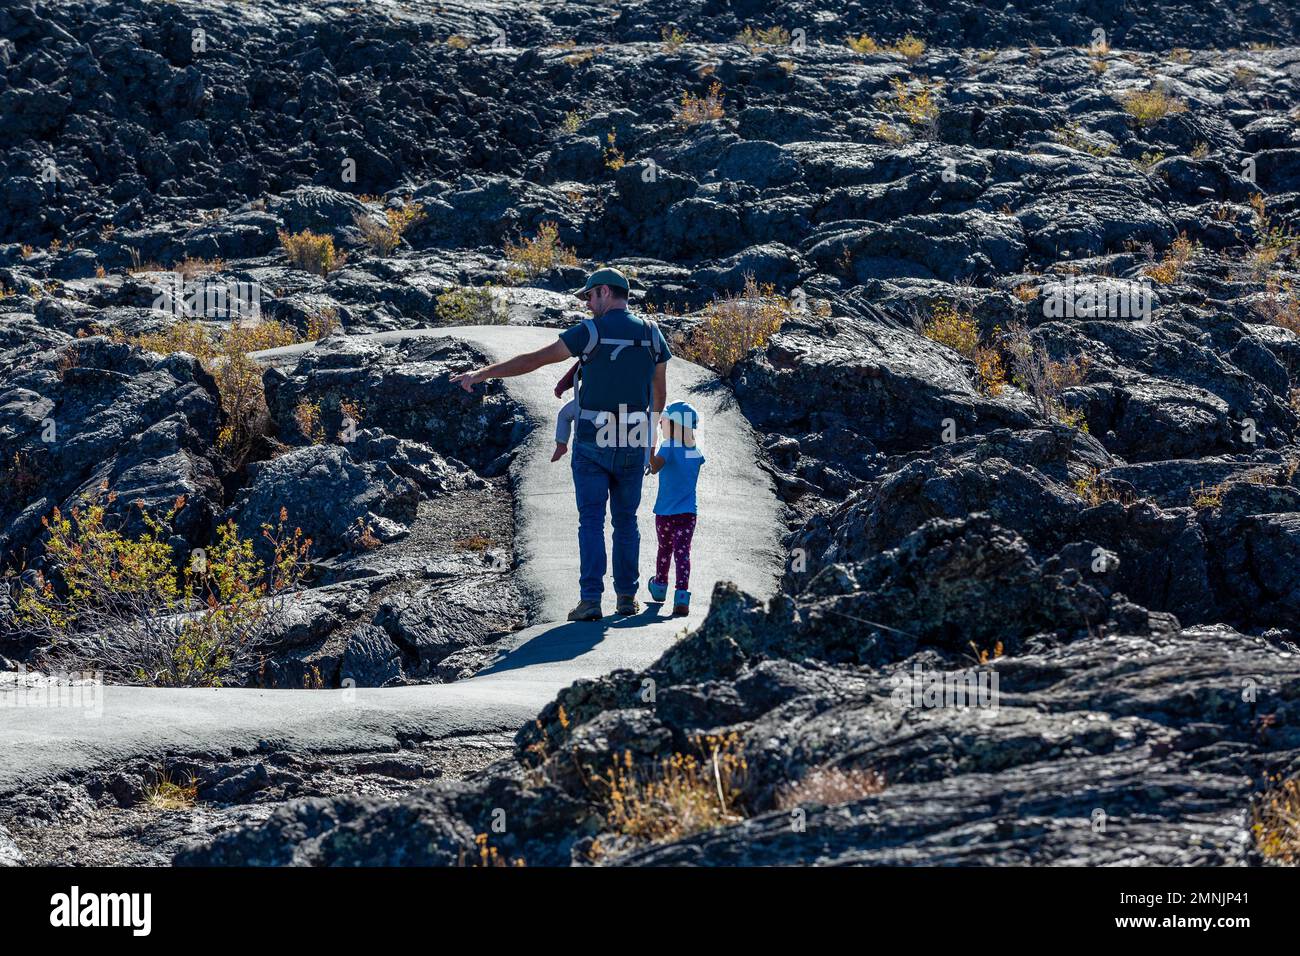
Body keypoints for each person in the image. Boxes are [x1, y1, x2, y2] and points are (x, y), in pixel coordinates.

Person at [450, 267, 670, 621]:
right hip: (633, 437)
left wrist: (481, 373)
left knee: (591, 521)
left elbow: (534, 360)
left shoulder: (589, 332)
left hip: (591, 439)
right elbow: (659, 391)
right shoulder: (651, 333)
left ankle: (590, 600)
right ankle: (627, 597)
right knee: (626, 521)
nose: (588, 305)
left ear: (603, 292)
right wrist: (653, 436)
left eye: (589, 297)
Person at [647, 401, 704, 616]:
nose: (661, 425)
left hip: (665, 512)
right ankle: (681, 596)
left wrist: (649, 452)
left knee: (665, 549)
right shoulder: (695, 451)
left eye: (664, 421)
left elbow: (655, 467)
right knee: (683, 553)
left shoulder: (668, 446)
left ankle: (660, 587)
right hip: (688, 512)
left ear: (674, 425)